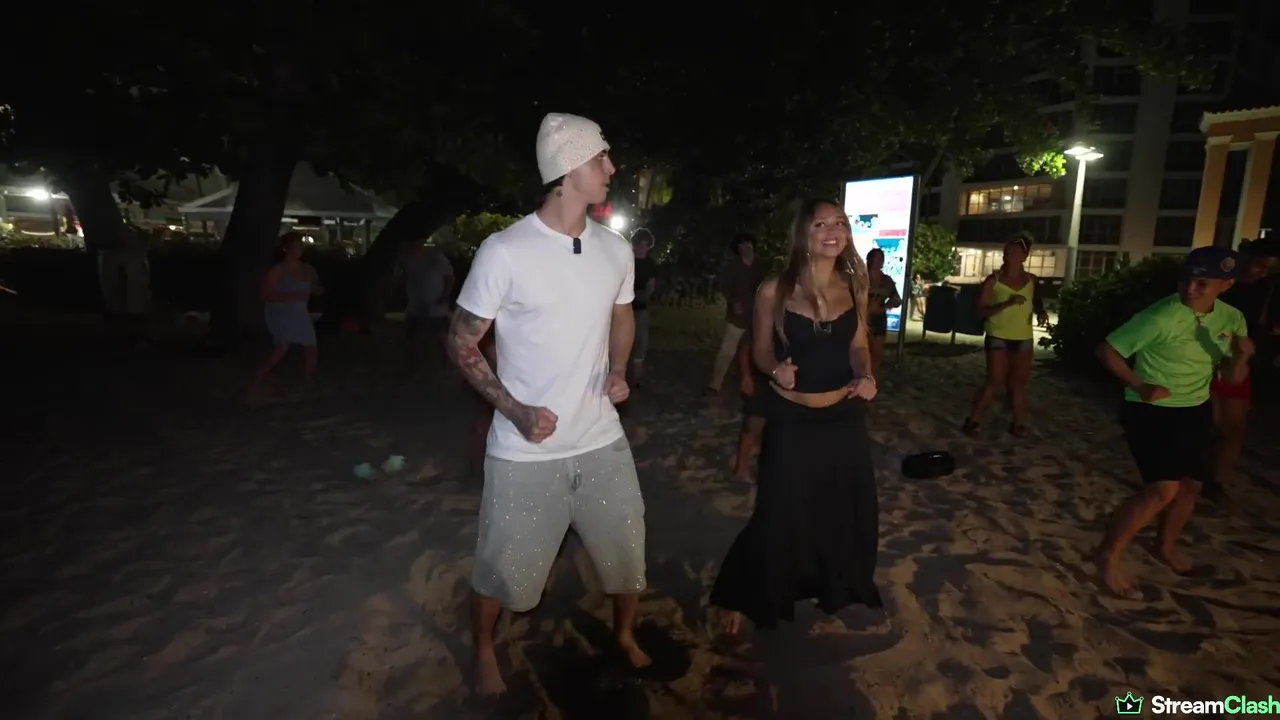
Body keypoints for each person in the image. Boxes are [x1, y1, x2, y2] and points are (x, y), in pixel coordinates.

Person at [446, 112, 648, 696]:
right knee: (501, 570)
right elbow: (460, 340)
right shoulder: (506, 251)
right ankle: (484, 649)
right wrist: (514, 410)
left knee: (627, 552)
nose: (612, 168)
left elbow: (622, 314)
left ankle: (625, 635)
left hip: (603, 440)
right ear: (568, 167)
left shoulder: (615, 250)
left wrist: (618, 370)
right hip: (525, 454)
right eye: (600, 158)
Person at [711, 198, 882, 634]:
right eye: (821, 224)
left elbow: (858, 345)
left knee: (843, 508)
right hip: (792, 420)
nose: (832, 231)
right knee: (778, 509)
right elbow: (760, 350)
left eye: (839, 223)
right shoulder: (774, 289)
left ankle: (834, 585)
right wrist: (775, 370)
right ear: (803, 233)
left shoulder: (855, 284)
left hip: (843, 417)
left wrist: (865, 374)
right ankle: (739, 593)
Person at [1093, 246, 1252, 597]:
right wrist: (1139, 384)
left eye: (1202, 283)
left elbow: (1232, 377)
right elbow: (1107, 350)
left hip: (1195, 407)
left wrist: (1240, 358)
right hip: (1150, 409)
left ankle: (1164, 546)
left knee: (1191, 484)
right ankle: (1107, 556)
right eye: (1186, 280)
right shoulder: (1161, 316)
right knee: (1161, 490)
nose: (1190, 289)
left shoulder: (1232, 319)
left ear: (1225, 285)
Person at [1204, 237, 1280, 506]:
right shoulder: (1220, 281)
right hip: (1208, 360)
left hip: (1241, 361)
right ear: (1244, 257)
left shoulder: (1266, 289)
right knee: (1207, 425)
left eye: (1267, 269)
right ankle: (1190, 477)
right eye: (1258, 265)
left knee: (1234, 428)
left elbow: (1263, 327)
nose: (1260, 272)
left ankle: (1217, 483)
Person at [962, 233, 1048, 437]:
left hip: (1023, 337)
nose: (1010, 256)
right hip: (998, 335)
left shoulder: (1032, 280)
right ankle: (974, 419)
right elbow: (981, 311)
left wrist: (1041, 312)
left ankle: (1018, 423)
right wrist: (1007, 303)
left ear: (1025, 256)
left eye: (1015, 253)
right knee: (994, 380)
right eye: (1007, 253)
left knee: (1019, 384)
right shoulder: (993, 281)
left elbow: (1036, 300)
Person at [249, 232, 323, 397]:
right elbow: (266, 295)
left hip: (300, 314)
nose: (298, 250)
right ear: (286, 248)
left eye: (300, 246)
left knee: (311, 349)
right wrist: (292, 296)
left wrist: (320, 292)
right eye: (294, 246)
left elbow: (314, 288)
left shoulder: (308, 269)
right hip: (282, 314)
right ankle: (257, 380)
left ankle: (309, 385)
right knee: (281, 349)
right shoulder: (278, 270)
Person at [708, 234, 768, 393]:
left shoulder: (761, 266)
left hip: (757, 315)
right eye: (742, 245)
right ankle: (715, 384)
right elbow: (724, 287)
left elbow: (768, 288)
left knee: (758, 349)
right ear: (738, 249)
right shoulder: (732, 267)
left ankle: (756, 383)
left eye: (749, 244)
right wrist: (733, 301)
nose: (746, 248)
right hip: (737, 316)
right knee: (727, 350)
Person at [397, 239, 455, 376]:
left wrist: (444, 295)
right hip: (415, 303)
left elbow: (450, 278)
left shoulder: (435, 257)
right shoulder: (406, 259)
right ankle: (413, 366)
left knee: (440, 335)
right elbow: (402, 278)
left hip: (435, 303)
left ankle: (446, 365)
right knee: (412, 335)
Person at [731, 324, 768, 483]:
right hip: (759, 375)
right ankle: (741, 467)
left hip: (780, 375)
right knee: (754, 420)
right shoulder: (764, 316)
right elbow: (745, 346)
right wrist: (746, 375)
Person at [865, 247, 902, 377]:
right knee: (862, 353)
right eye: (878, 258)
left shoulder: (886, 281)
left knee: (876, 353)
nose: (880, 261)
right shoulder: (860, 278)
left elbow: (897, 299)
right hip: (861, 319)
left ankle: (872, 380)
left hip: (879, 319)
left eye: (882, 258)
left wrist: (887, 305)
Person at [630, 228, 659, 388]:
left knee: (641, 340)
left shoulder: (650, 265)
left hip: (641, 307)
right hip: (624, 307)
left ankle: (638, 372)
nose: (643, 248)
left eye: (646, 245)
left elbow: (651, 285)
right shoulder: (627, 260)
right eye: (640, 244)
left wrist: (645, 296)